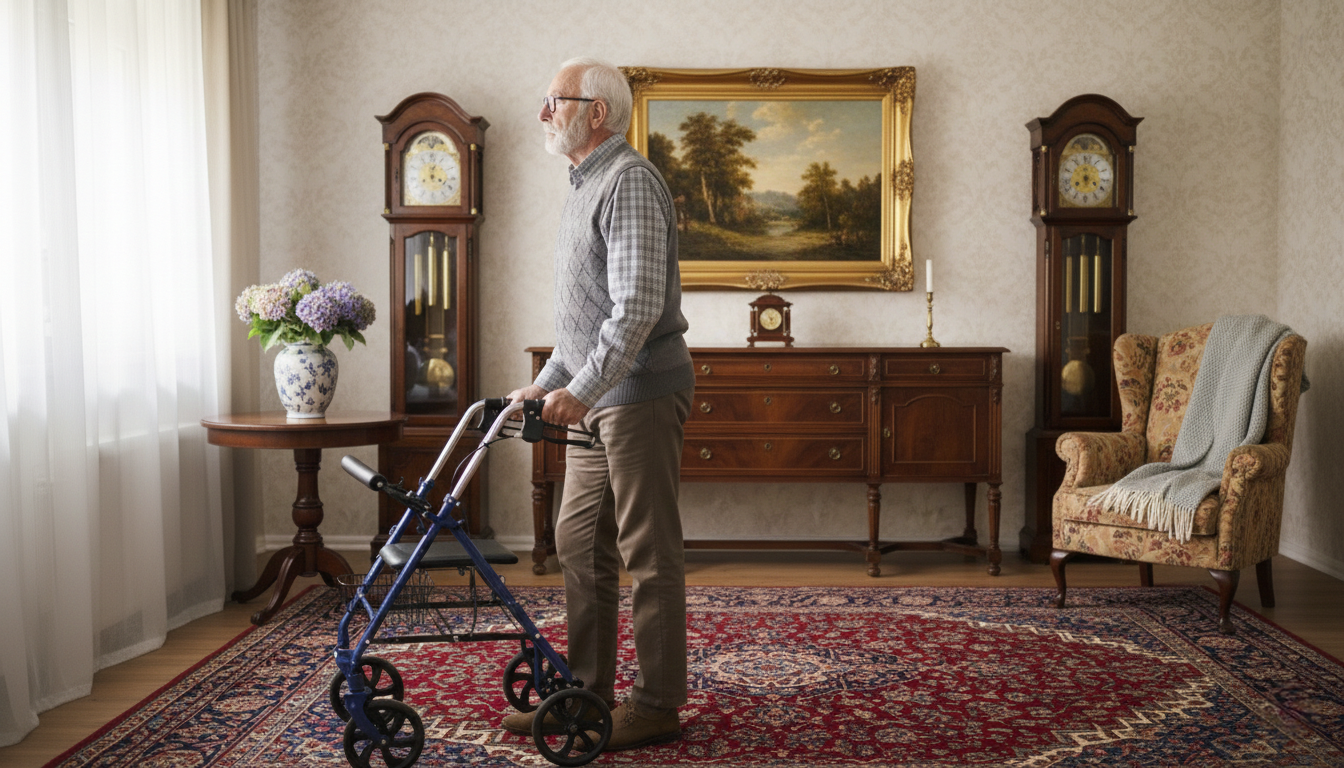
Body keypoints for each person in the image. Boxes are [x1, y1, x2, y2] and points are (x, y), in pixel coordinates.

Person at [502, 57, 695, 751]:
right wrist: (551, 378)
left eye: (555, 100)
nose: (544, 112)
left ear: (598, 112)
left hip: (637, 395)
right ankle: (584, 693)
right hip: (595, 398)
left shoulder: (629, 181)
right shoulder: (583, 184)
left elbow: (637, 307)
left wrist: (579, 392)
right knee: (579, 544)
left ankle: (656, 704)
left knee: (648, 552)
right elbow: (585, 319)